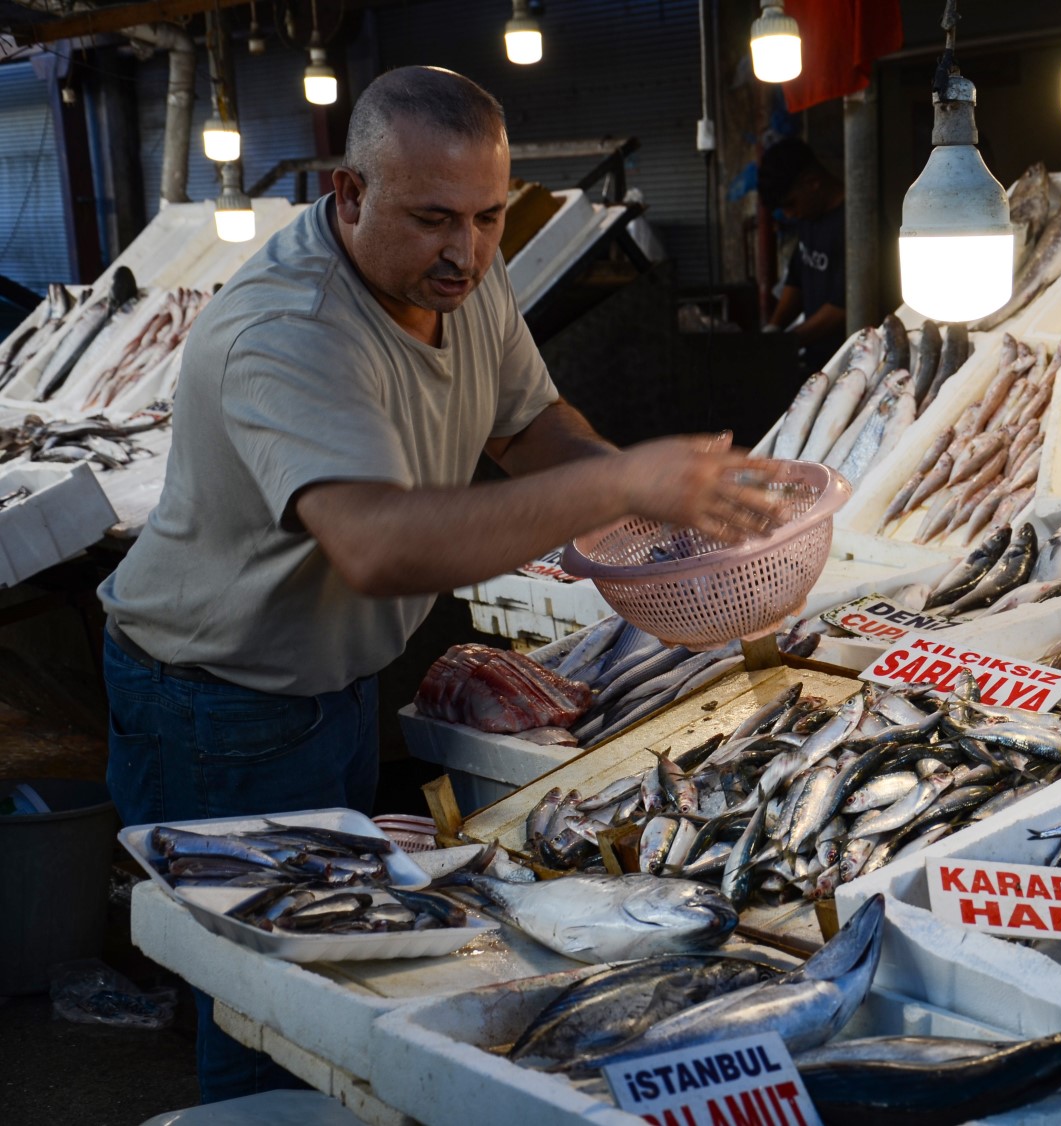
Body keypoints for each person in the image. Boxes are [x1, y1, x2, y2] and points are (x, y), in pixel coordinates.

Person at [98, 66, 783, 1103]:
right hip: (212, 706)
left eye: (487, 217)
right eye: (430, 219)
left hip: (326, 688)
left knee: (336, 985)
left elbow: (528, 427)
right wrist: (618, 480)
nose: (465, 251)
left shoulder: (457, 275)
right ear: (347, 192)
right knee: (269, 1013)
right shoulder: (289, 330)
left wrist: (657, 520)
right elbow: (374, 544)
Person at [758, 138, 847, 372]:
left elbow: (842, 307)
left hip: (850, 362)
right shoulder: (809, 217)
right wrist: (774, 328)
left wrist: (787, 342)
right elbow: (796, 278)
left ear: (813, 183)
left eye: (791, 204)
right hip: (815, 359)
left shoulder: (854, 224)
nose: (789, 214)